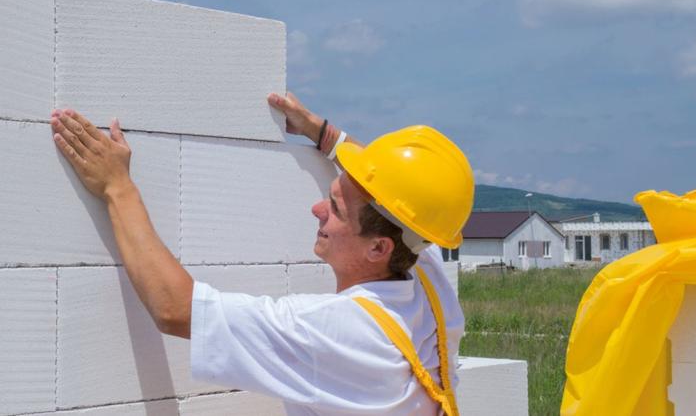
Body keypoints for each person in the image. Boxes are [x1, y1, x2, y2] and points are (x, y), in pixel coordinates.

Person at [50, 92, 474, 416]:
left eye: (336, 208)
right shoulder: (425, 276)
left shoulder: (334, 331)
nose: (317, 209)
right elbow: (405, 200)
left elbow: (175, 309)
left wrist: (116, 188)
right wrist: (324, 135)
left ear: (378, 247)